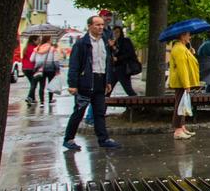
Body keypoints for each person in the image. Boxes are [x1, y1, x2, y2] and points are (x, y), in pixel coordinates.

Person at [62, 15, 121, 151]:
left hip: (100, 80)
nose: (101, 27)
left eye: (102, 25)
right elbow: (74, 65)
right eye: (97, 25)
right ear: (89, 26)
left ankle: (103, 139)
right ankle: (69, 139)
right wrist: (73, 84)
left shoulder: (104, 41)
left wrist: (108, 81)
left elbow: (106, 62)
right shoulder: (82, 43)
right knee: (79, 111)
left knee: (99, 112)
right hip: (86, 81)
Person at [169, 30, 199, 140]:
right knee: (180, 106)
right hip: (181, 82)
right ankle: (178, 130)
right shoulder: (179, 49)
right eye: (188, 35)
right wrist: (186, 84)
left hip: (182, 82)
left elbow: (186, 63)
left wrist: (190, 53)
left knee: (183, 105)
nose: (190, 37)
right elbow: (182, 68)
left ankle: (182, 127)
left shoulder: (182, 48)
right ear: (182, 36)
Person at [109, 24, 139, 96]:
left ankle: (137, 105)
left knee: (128, 89)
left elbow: (129, 54)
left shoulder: (125, 41)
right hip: (114, 68)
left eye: (117, 32)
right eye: (114, 32)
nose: (116, 34)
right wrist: (112, 47)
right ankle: (102, 106)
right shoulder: (113, 42)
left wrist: (118, 58)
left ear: (121, 33)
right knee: (108, 89)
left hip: (123, 68)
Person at [31, 35, 59, 104]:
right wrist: (57, 69)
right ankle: (50, 100)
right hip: (50, 69)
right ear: (48, 40)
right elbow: (55, 60)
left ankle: (42, 102)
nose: (51, 41)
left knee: (41, 85)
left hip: (40, 69)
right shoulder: (52, 49)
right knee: (51, 84)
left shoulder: (37, 49)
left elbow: (31, 59)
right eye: (50, 39)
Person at [21, 35, 39, 105]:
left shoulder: (26, 48)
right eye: (38, 40)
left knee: (32, 83)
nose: (39, 41)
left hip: (25, 68)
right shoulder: (34, 49)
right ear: (34, 41)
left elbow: (24, 59)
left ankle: (33, 98)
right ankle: (29, 97)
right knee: (34, 84)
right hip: (32, 68)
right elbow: (35, 59)